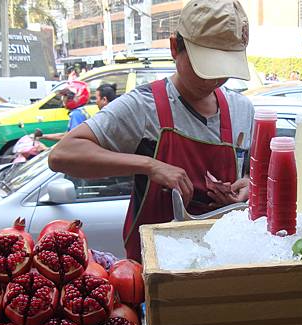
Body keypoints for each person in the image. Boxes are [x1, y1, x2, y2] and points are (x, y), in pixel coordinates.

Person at [49, 0, 255, 261]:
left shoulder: (242, 110)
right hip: (153, 270)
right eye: (205, 68)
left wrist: (249, 186)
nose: (213, 79)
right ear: (174, 48)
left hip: (222, 264)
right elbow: (62, 155)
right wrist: (150, 165)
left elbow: (255, 176)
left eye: (223, 69)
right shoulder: (143, 107)